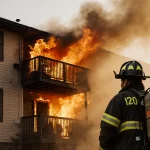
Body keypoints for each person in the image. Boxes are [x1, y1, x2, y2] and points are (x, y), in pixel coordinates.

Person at [99, 60, 150, 150]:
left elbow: (107, 131)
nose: (121, 84)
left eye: (121, 80)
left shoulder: (120, 99)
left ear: (126, 81)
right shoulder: (147, 99)